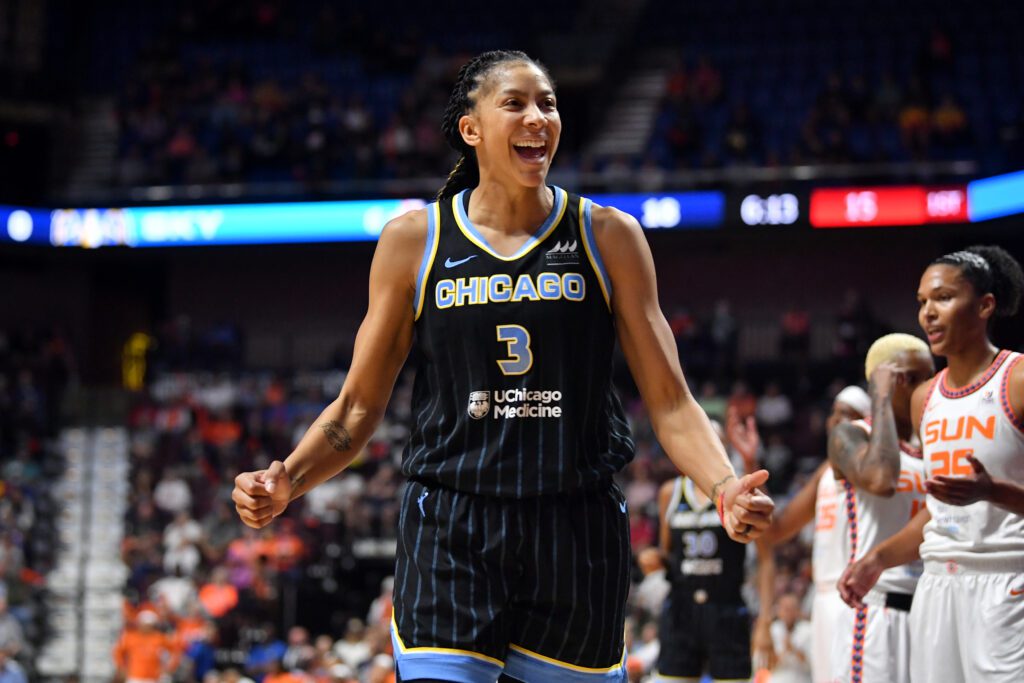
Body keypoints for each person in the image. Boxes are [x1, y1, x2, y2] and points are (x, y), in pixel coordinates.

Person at [232, 50, 774, 683]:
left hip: (575, 529)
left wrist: (721, 485)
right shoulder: (415, 241)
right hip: (453, 523)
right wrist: (287, 480)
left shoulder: (608, 236)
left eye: (547, 103)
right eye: (514, 103)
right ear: (472, 128)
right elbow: (357, 408)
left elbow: (673, 402)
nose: (537, 117)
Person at [839, 245, 1024, 683]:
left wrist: (992, 492)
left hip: (1007, 583)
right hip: (938, 584)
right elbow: (939, 512)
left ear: (985, 305)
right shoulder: (925, 399)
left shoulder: (1016, 379)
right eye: (922, 302)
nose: (928, 314)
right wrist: (876, 559)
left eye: (942, 298)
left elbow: (979, 497)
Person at [730, 386, 869, 683]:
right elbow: (776, 530)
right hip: (824, 598)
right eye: (834, 413)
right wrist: (751, 464)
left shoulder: (877, 471)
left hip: (860, 596)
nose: (835, 421)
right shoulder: (824, 473)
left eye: (847, 414)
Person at [826, 334, 934, 683]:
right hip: (875, 612)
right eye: (920, 379)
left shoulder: (932, 443)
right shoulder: (849, 434)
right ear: (895, 381)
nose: (931, 388)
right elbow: (881, 478)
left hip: (930, 606)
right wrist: (881, 397)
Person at [651, 420, 765, 683]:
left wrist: (765, 622)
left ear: (722, 449)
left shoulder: (736, 492)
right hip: (681, 609)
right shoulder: (671, 492)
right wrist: (654, 560)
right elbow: (665, 554)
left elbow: (765, 553)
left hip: (726, 606)